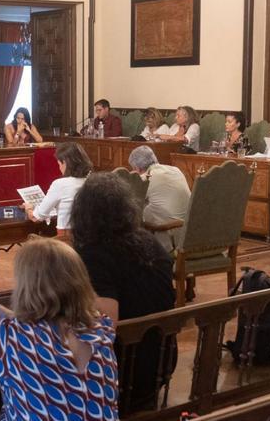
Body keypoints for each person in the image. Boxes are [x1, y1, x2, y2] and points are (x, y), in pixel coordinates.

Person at [0, 237, 119, 421]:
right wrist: (11, 316)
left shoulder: (11, 336)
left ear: (26, 286)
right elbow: (52, 336)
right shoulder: (101, 327)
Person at [70, 172, 175, 412]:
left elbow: (103, 329)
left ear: (83, 214)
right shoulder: (151, 243)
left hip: (125, 373)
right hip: (162, 361)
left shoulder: (95, 256)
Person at [127, 146, 190, 251]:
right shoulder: (176, 169)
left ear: (137, 169)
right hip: (189, 229)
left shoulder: (145, 179)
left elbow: (131, 202)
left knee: (140, 212)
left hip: (170, 230)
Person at [23, 142, 92, 235]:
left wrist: (28, 208)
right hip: (90, 235)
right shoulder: (92, 181)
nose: (59, 168)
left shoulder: (60, 184)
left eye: (59, 164)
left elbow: (36, 217)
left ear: (65, 163)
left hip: (67, 238)